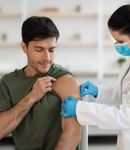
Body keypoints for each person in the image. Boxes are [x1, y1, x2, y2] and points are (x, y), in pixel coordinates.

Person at [61, 5, 130, 150]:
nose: (117, 45)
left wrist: (81, 109)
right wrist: (98, 92)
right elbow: (126, 95)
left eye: (120, 41)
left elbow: (129, 115)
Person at [0, 16, 81, 150]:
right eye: (39, 50)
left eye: (51, 50)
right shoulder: (8, 82)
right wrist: (32, 97)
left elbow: (72, 135)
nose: (47, 58)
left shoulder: (65, 80)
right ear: (24, 47)